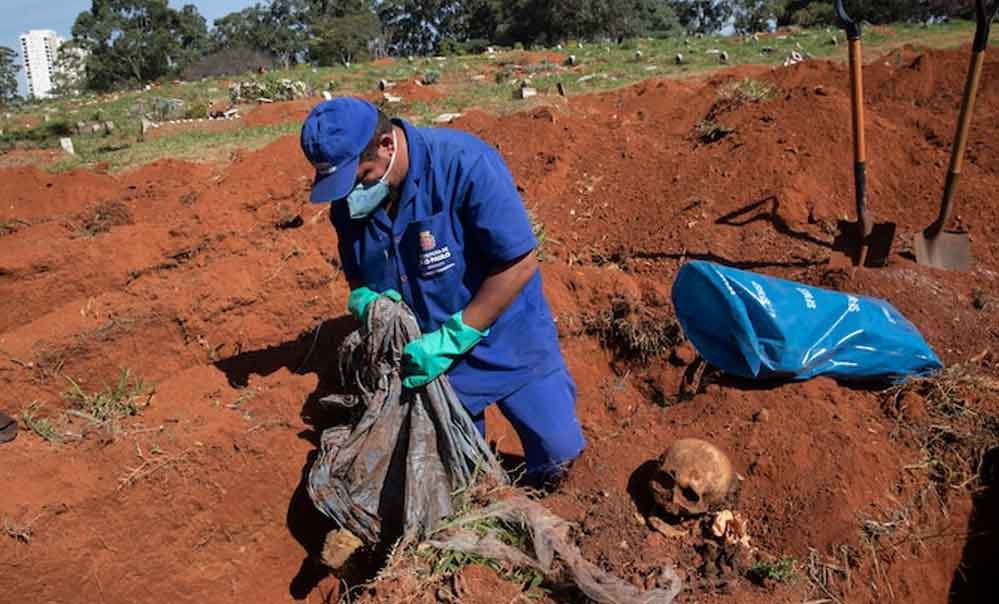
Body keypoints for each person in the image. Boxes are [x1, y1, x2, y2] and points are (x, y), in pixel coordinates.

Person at [300, 97, 585, 487]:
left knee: (562, 462)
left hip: (509, 341)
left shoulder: (465, 163)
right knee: (458, 482)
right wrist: (366, 300)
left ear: (386, 144)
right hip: (433, 365)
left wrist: (454, 337)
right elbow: (359, 275)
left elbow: (519, 262)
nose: (353, 189)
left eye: (362, 174)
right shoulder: (349, 202)